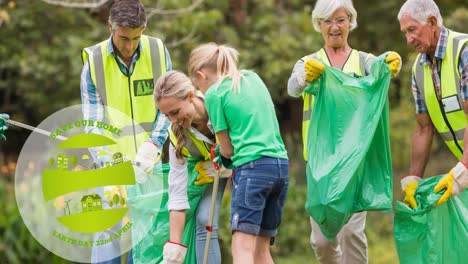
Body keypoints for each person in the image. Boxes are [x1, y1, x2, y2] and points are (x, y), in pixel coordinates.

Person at [287, 0, 401, 263]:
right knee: (322, 241)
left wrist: (392, 62)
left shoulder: (363, 62)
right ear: (319, 25)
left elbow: (383, 68)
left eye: (340, 20)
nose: (334, 27)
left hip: (354, 164)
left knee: (351, 235)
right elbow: (293, 88)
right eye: (327, 21)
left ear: (351, 22)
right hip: (319, 165)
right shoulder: (309, 62)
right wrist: (305, 77)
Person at [79, 0, 172, 263]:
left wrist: (153, 146)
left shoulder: (157, 51)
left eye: (136, 37)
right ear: (110, 26)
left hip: (149, 164)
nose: (129, 46)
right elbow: (93, 121)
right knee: (109, 232)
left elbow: (169, 106)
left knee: (144, 238)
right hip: (110, 164)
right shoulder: (94, 62)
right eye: (123, 38)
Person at [188, 43, 289, 264]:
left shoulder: (214, 94)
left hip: (252, 169)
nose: (201, 93)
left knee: (242, 249)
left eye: (198, 87)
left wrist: (221, 158)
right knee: (262, 251)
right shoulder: (253, 78)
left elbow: (227, 149)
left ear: (200, 74)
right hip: (280, 166)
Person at [155, 70, 231, 263]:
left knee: (242, 225)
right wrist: (174, 249)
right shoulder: (176, 136)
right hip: (212, 173)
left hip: (247, 167)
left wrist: (227, 163)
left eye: (175, 112)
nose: (172, 121)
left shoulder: (220, 103)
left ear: (190, 96)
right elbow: (177, 192)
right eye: (166, 115)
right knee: (204, 220)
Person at [398, 0, 468, 208]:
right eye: (404, 33)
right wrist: (414, 180)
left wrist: (463, 167)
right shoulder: (418, 70)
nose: (409, 39)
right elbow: (423, 128)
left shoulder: (463, 51)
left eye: (412, 30)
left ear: (432, 22)